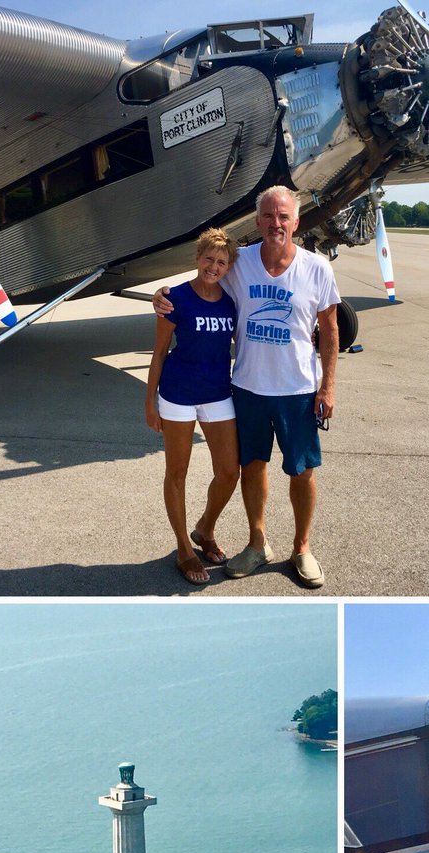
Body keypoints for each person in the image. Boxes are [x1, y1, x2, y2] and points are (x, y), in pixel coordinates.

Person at [155, 185, 340, 587]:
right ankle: (258, 543)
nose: (276, 224)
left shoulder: (317, 269)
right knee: (251, 467)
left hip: (298, 390)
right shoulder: (241, 264)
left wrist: (327, 387)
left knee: (302, 471)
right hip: (249, 388)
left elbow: (329, 329)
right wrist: (163, 295)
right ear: (257, 222)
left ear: (296, 221)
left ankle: (302, 548)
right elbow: (205, 276)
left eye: (284, 217)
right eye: (269, 216)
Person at [145, 229, 241, 586]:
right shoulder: (175, 299)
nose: (213, 267)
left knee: (230, 471)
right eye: (208, 259)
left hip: (218, 393)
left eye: (221, 262)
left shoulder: (231, 301)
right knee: (177, 473)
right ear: (197, 258)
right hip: (177, 396)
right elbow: (158, 353)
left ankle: (205, 528)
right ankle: (183, 548)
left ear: (228, 267)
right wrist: (150, 400)